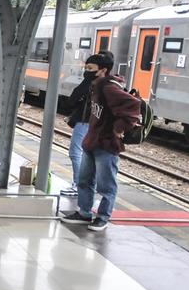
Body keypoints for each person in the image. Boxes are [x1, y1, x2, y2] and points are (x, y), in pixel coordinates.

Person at [61, 53, 142, 232]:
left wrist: (118, 129)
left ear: (103, 70)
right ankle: (84, 212)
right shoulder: (96, 85)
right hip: (92, 140)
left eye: (90, 69)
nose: (86, 72)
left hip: (106, 144)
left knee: (106, 183)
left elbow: (132, 106)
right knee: (85, 179)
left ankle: (103, 216)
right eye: (86, 68)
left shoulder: (109, 88)